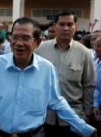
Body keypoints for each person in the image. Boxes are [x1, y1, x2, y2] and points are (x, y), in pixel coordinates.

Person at [35, 9, 95, 137]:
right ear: (54, 26)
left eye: (70, 24)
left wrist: (88, 113)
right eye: (61, 24)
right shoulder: (40, 49)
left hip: (73, 118)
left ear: (76, 27)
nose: (66, 28)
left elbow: (89, 85)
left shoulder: (84, 52)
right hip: (44, 116)